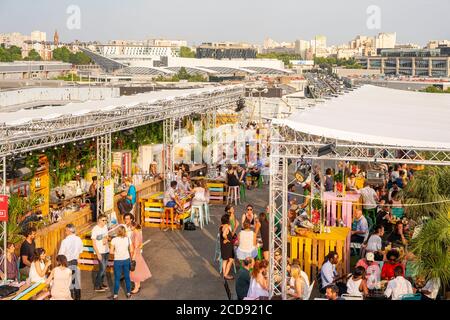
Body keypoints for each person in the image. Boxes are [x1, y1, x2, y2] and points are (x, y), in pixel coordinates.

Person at [58, 224, 83, 300]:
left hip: (67, 262)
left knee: (68, 282)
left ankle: (71, 297)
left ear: (69, 231)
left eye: (65, 230)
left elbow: (61, 254)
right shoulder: (79, 239)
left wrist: (59, 265)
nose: (65, 232)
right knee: (75, 281)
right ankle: (78, 298)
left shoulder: (65, 241)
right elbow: (80, 251)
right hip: (75, 261)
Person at [110, 225, 133, 300]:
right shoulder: (128, 239)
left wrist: (114, 255)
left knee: (117, 278)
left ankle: (115, 295)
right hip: (126, 260)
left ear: (118, 231)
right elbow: (131, 250)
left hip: (117, 261)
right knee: (127, 277)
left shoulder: (114, 240)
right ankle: (128, 293)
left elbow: (111, 251)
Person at [130, 221, 151, 294]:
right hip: (137, 253)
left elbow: (136, 247)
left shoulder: (135, 234)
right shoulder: (138, 232)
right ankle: (138, 285)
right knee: (137, 269)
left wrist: (133, 256)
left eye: (130, 226)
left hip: (134, 254)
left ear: (133, 226)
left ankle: (136, 287)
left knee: (134, 271)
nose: (130, 227)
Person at [91, 214, 110, 292]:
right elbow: (93, 243)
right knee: (102, 269)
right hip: (100, 252)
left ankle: (101, 283)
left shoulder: (105, 227)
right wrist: (98, 253)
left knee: (104, 268)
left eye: (106, 220)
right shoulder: (95, 229)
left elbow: (106, 236)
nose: (105, 222)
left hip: (106, 250)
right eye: (103, 220)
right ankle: (97, 286)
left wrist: (106, 238)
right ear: (99, 220)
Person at [220, 214, 235, 280]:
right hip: (228, 246)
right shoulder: (226, 227)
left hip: (224, 246)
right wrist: (226, 239)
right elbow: (224, 234)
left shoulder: (221, 226)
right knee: (231, 259)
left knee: (225, 260)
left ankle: (224, 274)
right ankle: (226, 274)